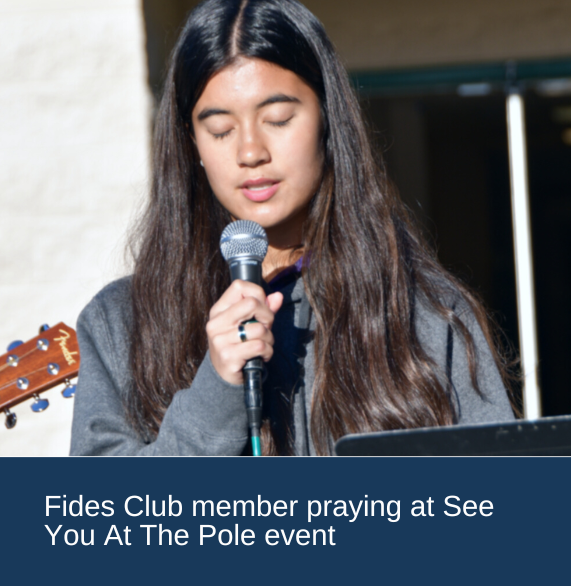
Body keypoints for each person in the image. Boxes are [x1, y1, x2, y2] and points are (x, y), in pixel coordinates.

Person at [70, 0, 515, 457]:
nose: (250, 151)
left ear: (327, 118)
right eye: (220, 130)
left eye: (278, 120)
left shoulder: (425, 311)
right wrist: (214, 395)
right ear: (191, 144)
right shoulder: (121, 323)